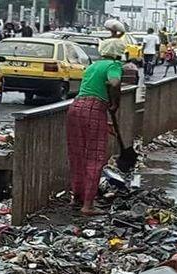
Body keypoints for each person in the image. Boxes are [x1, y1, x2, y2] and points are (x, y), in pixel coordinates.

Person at [66, 38, 124, 216]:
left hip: (76, 108)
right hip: (95, 108)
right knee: (95, 157)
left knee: (77, 156)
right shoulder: (114, 65)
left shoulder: (93, 65)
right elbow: (114, 83)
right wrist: (115, 103)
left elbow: (91, 91)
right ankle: (88, 205)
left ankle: (77, 197)